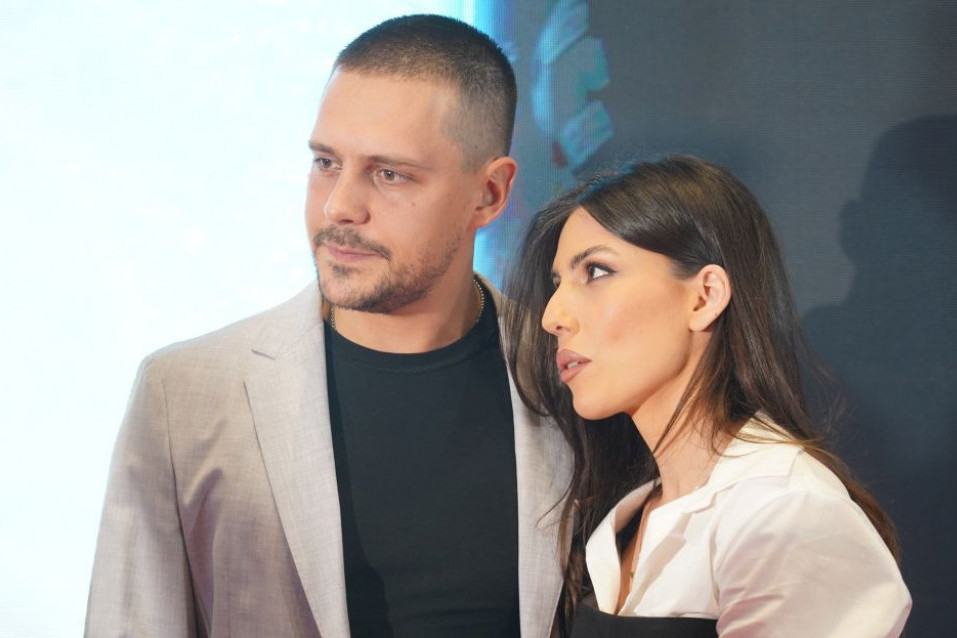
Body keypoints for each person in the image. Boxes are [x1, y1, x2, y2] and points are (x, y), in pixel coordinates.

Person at [86, 15, 572, 637]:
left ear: (489, 193)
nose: (340, 205)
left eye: (389, 173)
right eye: (325, 162)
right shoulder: (184, 392)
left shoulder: (573, 380)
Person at [503, 156, 911, 637]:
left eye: (596, 271)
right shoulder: (624, 518)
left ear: (705, 296)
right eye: (557, 284)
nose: (552, 316)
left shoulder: (785, 512)